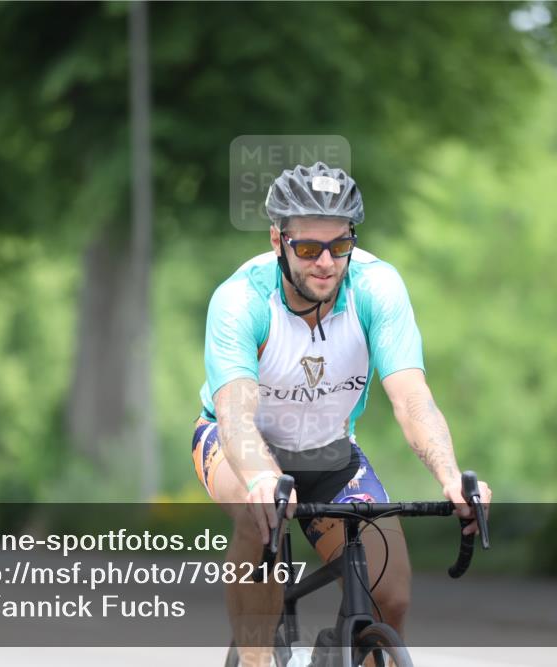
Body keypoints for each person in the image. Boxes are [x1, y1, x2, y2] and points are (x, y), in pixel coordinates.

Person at [192, 162, 492, 666]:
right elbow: (236, 416)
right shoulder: (241, 300)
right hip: (238, 448)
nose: (326, 263)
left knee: (391, 594)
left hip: (329, 453)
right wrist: (264, 478)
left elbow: (412, 398)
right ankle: (257, 660)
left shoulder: (376, 289)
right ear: (277, 240)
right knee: (256, 512)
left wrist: (449, 476)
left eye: (340, 246)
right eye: (308, 248)